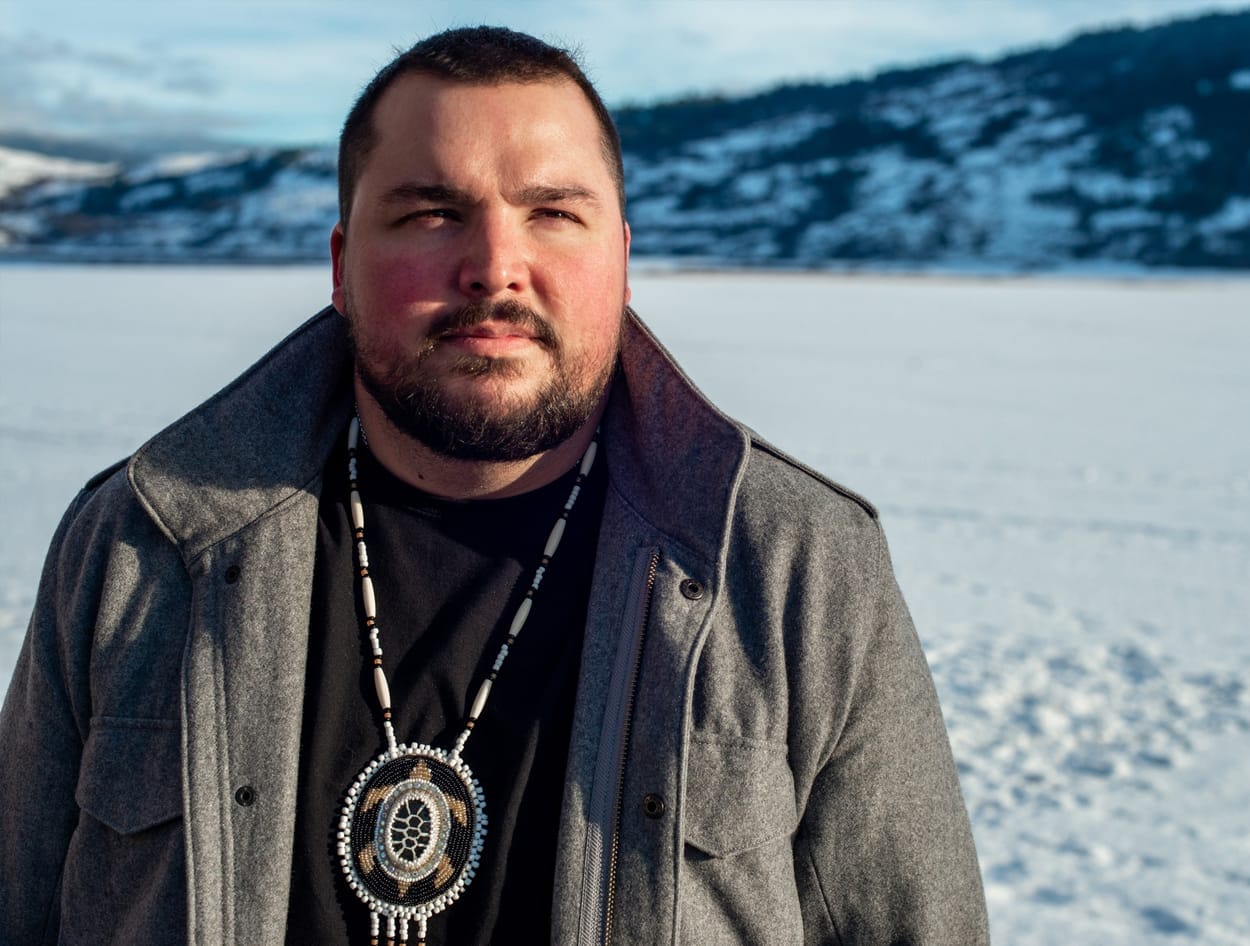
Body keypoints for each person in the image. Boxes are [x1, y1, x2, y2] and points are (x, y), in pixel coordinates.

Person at [0, 26, 988, 946]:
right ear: (342, 267)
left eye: (553, 212)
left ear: (621, 262)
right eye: (431, 213)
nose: (494, 268)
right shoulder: (140, 542)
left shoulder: (788, 564)